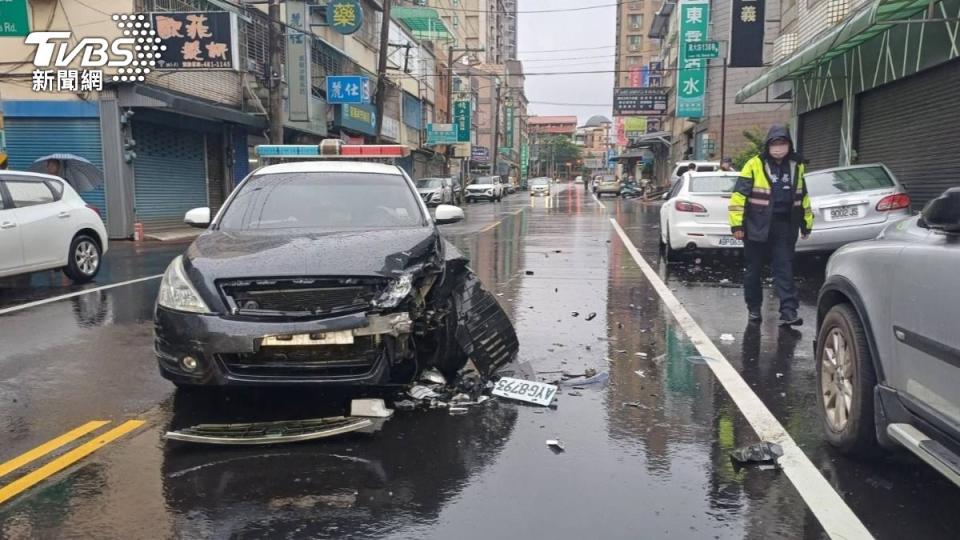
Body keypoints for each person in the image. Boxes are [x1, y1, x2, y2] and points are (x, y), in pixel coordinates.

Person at [729, 125, 813, 326]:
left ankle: (789, 312)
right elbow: (739, 197)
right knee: (753, 270)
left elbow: (803, 197)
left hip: (785, 225)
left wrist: (806, 224)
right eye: (774, 144)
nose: (778, 148)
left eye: (782, 143)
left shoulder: (797, 165)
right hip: (756, 225)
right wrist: (737, 226)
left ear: (789, 145)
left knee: (785, 268)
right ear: (768, 146)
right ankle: (754, 309)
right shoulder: (754, 164)